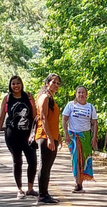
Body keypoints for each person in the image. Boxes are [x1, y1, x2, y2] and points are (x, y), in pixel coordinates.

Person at [0, 75, 39, 199]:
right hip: (12, 134)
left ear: (21, 84)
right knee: (17, 161)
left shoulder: (28, 97)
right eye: (13, 84)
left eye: (18, 83)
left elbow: (34, 116)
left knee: (33, 161)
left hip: (27, 134)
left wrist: (36, 132)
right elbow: (1, 118)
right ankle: (19, 189)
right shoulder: (7, 99)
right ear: (10, 85)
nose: (16, 86)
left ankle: (30, 188)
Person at [62, 85, 98, 193]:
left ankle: (80, 182)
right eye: (79, 92)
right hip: (73, 135)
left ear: (86, 95)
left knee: (85, 159)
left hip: (85, 136)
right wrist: (66, 135)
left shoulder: (90, 107)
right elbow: (64, 120)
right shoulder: (70, 105)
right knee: (76, 159)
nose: (81, 95)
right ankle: (78, 184)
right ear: (76, 94)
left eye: (83, 93)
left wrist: (94, 137)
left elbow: (94, 123)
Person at [34, 73, 62, 204]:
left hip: (52, 135)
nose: (56, 85)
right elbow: (43, 118)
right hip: (45, 136)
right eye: (53, 82)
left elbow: (52, 119)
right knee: (44, 165)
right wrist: (50, 138)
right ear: (47, 83)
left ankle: (45, 193)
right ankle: (42, 194)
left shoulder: (51, 98)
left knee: (48, 166)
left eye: (58, 83)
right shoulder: (45, 97)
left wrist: (58, 136)